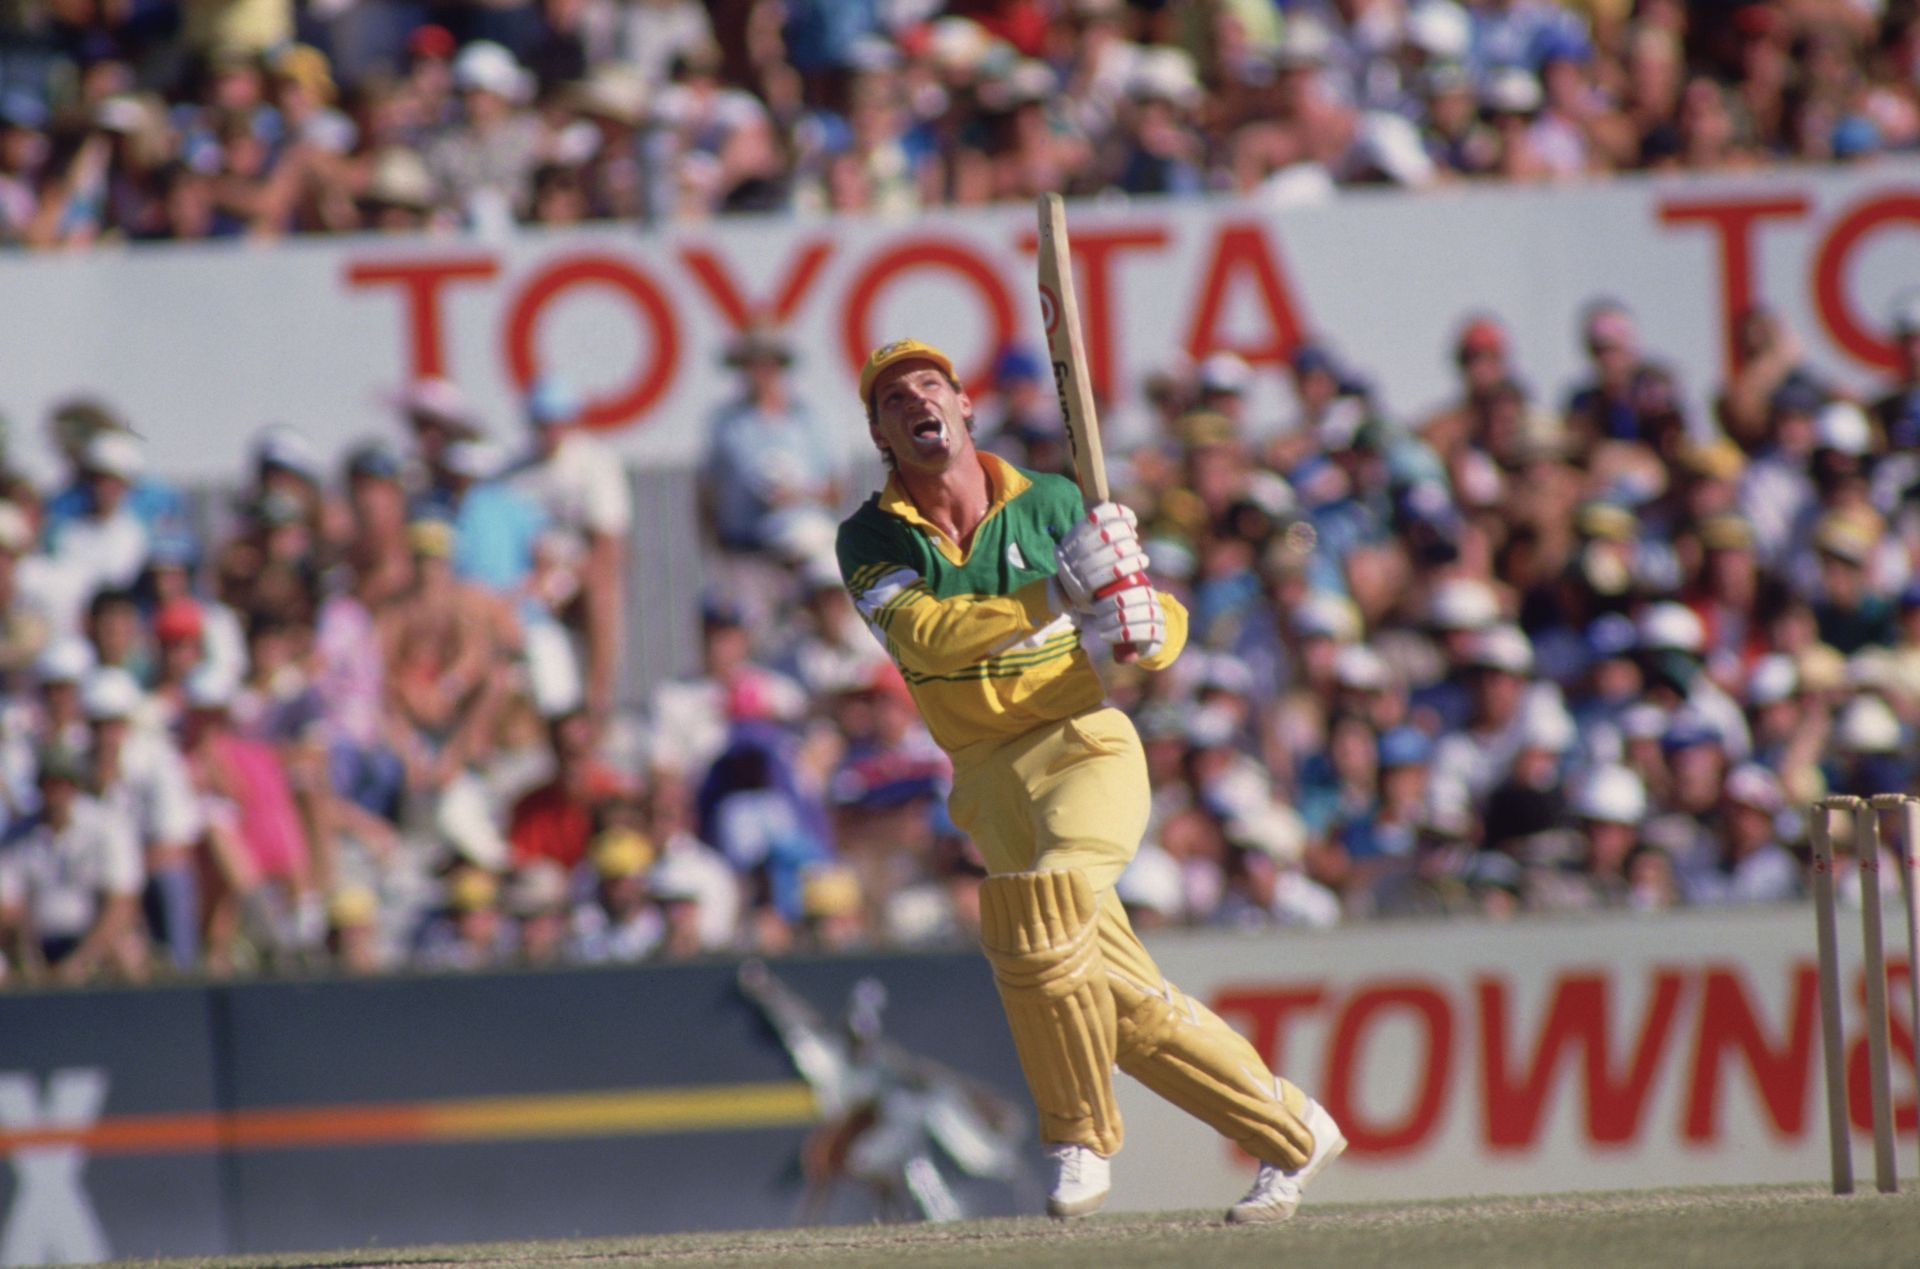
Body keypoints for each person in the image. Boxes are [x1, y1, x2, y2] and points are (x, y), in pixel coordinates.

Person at [835, 338, 1343, 1224]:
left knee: (1042, 910)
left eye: (930, 386)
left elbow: (1151, 613)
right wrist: (1055, 595)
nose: (916, 401)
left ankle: (1078, 1136)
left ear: (964, 408)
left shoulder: (1055, 501)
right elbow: (924, 637)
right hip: (986, 776)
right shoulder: (868, 538)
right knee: (1122, 1003)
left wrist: (1149, 624)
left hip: (1082, 745)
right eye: (892, 398)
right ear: (881, 432)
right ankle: (1294, 1131)